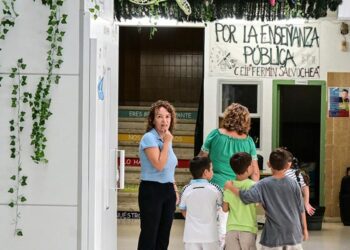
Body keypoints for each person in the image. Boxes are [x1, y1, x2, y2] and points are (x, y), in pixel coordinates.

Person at [198, 102, 260, 246]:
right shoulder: (248, 141)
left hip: (214, 186)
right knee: (233, 228)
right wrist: (254, 191)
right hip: (237, 191)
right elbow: (255, 172)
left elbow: (201, 159)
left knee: (213, 228)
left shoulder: (215, 134)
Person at [225, 148, 309, 250]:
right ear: (288, 165)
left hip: (273, 234)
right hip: (293, 232)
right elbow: (301, 208)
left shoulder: (263, 184)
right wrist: (304, 229)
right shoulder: (294, 184)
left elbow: (247, 196)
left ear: (268, 164)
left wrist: (231, 188)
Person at [137, 100, 179, 250]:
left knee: (163, 236)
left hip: (167, 190)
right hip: (151, 190)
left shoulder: (166, 138)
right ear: (153, 120)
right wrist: (167, 143)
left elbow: (169, 168)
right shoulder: (149, 138)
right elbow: (159, 165)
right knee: (150, 235)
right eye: (160, 116)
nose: (164, 120)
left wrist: (174, 188)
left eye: (167, 116)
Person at [179, 156, 222, 250]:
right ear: (206, 172)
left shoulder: (186, 189)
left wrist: (194, 219)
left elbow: (183, 210)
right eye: (212, 169)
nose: (213, 172)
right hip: (211, 235)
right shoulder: (215, 189)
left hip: (190, 236)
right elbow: (222, 208)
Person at [222, 152, 258, 250]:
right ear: (247, 169)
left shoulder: (229, 186)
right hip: (248, 229)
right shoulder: (253, 185)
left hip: (231, 228)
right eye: (251, 164)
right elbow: (258, 204)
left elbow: (225, 209)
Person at [283, 148, 316, 216]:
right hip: (296, 208)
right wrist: (306, 202)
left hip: (285, 209)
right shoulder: (298, 173)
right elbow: (305, 186)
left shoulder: (283, 174)